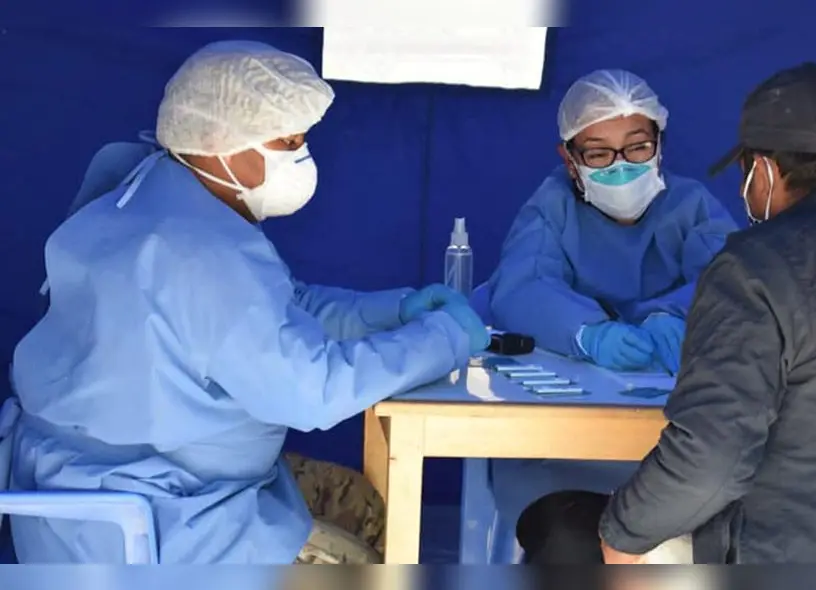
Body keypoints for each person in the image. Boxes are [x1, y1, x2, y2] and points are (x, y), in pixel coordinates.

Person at [7, 40, 489, 564]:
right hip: (159, 522)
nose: (301, 157)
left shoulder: (150, 194)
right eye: (287, 142)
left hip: (84, 488)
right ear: (220, 140)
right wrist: (443, 338)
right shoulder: (197, 251)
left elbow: (282, 308)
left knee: (362, 504)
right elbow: (315, 390)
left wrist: (393, 312)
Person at [533, 62, 816, 563]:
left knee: (562, 528)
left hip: (811, 558)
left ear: (765, 171)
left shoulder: (757, 264)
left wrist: (622, 534)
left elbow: (712, 458)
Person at [486, 69, 738, 555]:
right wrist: (587, 333)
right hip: (562, 451)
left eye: (637, 147)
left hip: (679, 447)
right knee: (563, 538)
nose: (621, 167)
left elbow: (732, 278)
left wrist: (677, 316)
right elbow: (521, 288)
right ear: (569, 158)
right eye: (599, 154)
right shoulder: (551, 209)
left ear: (660, 145)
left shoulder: (691, 205)